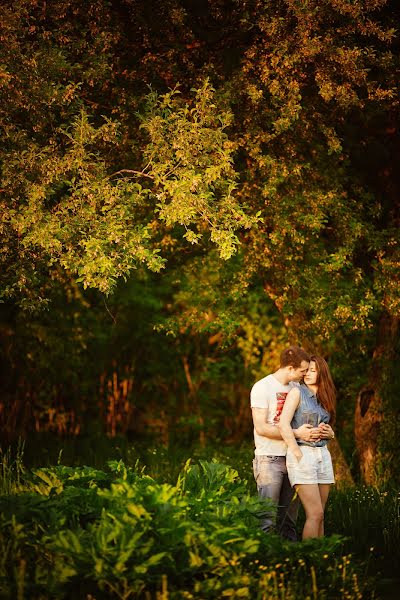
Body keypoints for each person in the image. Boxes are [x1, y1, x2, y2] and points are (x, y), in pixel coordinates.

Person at [251, 346, 321, 541]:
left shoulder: (297, 389)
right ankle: (264, 563)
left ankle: (289, 565)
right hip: (269, 460)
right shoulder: (262, 387)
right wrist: (296, 433)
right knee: (267, 519)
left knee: (289, 520)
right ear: (290, 368)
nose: (305, 374)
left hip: (294, 459)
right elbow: (262, 428)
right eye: (302, 370)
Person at [278, 355, 336, 539]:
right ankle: (309, 560)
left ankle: (321, 560)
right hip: (303, 454)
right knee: (315, 513)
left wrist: (331, 434)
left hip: (323, 454)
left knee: (321, 516)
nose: (308, 374)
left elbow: (329, 427)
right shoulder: (297, 393)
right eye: (307, 370)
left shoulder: (325, 397)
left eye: (313, 370)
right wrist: (297, 453)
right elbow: (283, 424)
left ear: (322, 372)